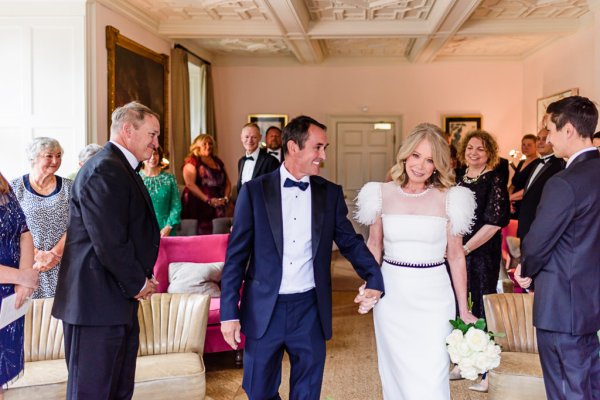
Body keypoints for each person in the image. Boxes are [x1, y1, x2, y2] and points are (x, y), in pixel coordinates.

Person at [220, 115, 385, 400]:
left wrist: (374, 275)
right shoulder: (254, 192)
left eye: (325, 148)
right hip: (263, 309)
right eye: (318, 147)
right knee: (258, 390)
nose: (323, 156)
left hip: (309, 308)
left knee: (307, 392)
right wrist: (228, 313)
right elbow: (235, 257)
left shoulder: (329, 193)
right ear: (293, 147)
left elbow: (349, 241)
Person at [354, 123, 477, 399]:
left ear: (438, 166)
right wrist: (370, 285)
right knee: (395, 372)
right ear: (405, 156)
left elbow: (456, 256)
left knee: (432, 373)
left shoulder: (451, 199)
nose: (420, 165)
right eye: (416, 156)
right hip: (393, 297)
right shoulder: (380, 194)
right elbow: (375, 245)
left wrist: (463, 308)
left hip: (434, 297)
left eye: (430, 159)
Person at [52, 102, 161, 400]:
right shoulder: (104, 168)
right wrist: (139, 283)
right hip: (94, 306)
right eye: (152, 134)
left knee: (117, 391)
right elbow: (110, 241)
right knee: (92, 393)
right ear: (128, 130)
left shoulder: (120, 167)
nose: (156, 143)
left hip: (113, 302)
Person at [516, 96, 599, 400]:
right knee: (589, 383)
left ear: (569, 131)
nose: (547, 138)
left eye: (550, 129)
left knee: (566, 388)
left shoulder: (564, 182)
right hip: (591, 302)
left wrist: (525, 269)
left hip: (562, 304)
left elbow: (538, 240)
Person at [455, 130, 509, 391]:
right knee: (458, 303)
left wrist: (465, 248)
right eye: (470, 148)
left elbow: (494, 223)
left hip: (482, 253)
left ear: (490, 153)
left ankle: (487, 372)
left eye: (480, 149)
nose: (474, 153)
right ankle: (462, 360)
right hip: (456, 252)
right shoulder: (457, 177)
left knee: (481, 302)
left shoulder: (494, 180)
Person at [10, 137, 73, 298]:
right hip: (27, 265)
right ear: (34, 158)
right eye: (49, 156)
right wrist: (35, 254)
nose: (55, 160)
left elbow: (78, 223)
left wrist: (54, 254)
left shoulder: (69, 187)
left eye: (59, 156)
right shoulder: (15, 188)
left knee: (58, 320)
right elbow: (8, 227)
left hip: (63, 264)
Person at [0, 171, 39, 400]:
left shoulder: (3, 182)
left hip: (9, 295)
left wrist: (23, 278)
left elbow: (24, 232)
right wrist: (21, 277)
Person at [512, 118, 565, 240]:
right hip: (525, 221)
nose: (540, 142)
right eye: (538, 139)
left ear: (553, 140)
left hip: (540, 225)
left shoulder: (560, 165)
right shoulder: (536, 163)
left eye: (545, 139)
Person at [181, 134, 231, 235]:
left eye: (210, 143)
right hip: (199, 205)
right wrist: (208, 200)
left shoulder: (217, 161)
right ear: (197, 146)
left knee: (220, 235)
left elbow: (227, 182)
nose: (208, 146)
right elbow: (190, 184)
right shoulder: (192, 161)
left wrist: (225, 198)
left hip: (219, 204)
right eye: (204, 144)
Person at [140, 146, 182, 237]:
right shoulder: (136, 178)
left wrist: (168, 227)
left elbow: (176, 206)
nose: (152, 158)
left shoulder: (169, 178)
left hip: (166, 231)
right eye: (149, 154)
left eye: (155, 154)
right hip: (142, 230)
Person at [236, 122, 279, 194]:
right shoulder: (241, 161)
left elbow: (274, 189)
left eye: (254, 137)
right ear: (241, 138)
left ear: (260, 138)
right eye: (246, 137)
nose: (250, 140)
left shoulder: (271, 161)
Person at [508, 134, 539, 218]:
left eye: (529, 145)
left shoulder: (538, 163)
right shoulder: (521, 162)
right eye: (523, 145)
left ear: (536, 146)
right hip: (513, 202)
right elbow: (513, 184)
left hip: (525, 203)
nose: (525, 147)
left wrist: (510, 198)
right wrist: (507, 200)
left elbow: (530, 187)